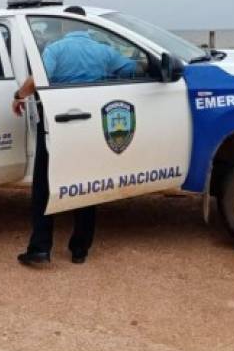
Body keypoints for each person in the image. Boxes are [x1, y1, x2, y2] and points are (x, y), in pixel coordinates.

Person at [12, 27, 142, 266]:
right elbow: (130, 69)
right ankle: (79, 249)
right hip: (90, 121)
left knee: (45, 185)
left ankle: (40, 248)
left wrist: (19, 95)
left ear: (64, 29)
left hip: (56, 120)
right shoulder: (104, 50)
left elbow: (38, 78)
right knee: (85, 183)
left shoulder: (55, 48)